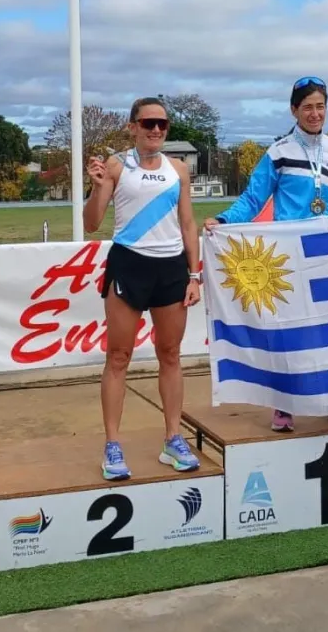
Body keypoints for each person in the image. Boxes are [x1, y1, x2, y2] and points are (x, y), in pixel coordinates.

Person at [203, 76, 328, 432]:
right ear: (294, 110)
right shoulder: (277, 153)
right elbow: (253, 198)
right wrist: (224, 219)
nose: (314, 113)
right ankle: (284, 405)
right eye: (307, 106)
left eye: (320, 106)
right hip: (291, 254)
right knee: (290, 331)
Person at [84, 96, 202, 480]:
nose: (155, 130)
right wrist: (98, 187)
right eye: (148, 123)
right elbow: (91, 222)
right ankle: (113, 446)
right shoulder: (117, 165)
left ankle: (172, 438)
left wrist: (195, 274)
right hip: (130, 264)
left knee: (170, 354)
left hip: (170, 269)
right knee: (119, 357)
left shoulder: (179, 169)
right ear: (132, 126)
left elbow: (187, 224)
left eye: (162, 124)